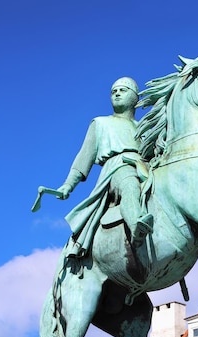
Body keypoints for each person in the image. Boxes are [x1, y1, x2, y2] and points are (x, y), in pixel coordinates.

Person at [57, 77, 153, 257]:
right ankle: (137, 227)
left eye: (122, 90)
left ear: (135, 97)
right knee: (129, 183)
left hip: (145, 168)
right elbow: (83, 158)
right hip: (118, 167)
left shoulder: (144, 128)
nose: (116, 93)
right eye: (113, 91)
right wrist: (68, 185)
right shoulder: (100, 123)